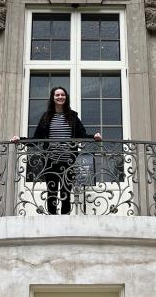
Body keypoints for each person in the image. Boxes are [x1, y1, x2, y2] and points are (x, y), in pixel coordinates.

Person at [12, 86, 101, 215]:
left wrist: (94, 137)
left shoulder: (72, 116)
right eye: (57, 95)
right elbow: (37, 138)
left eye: (62, 95)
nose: (60, 97)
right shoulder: (46, 117)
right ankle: (52, 219)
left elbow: (81, 134)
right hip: (50, 161)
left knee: (66, 191)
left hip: (68, 160)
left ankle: (65, 218)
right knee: (52, 191)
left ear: (66, 97)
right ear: (53, 98)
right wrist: (20, 139)